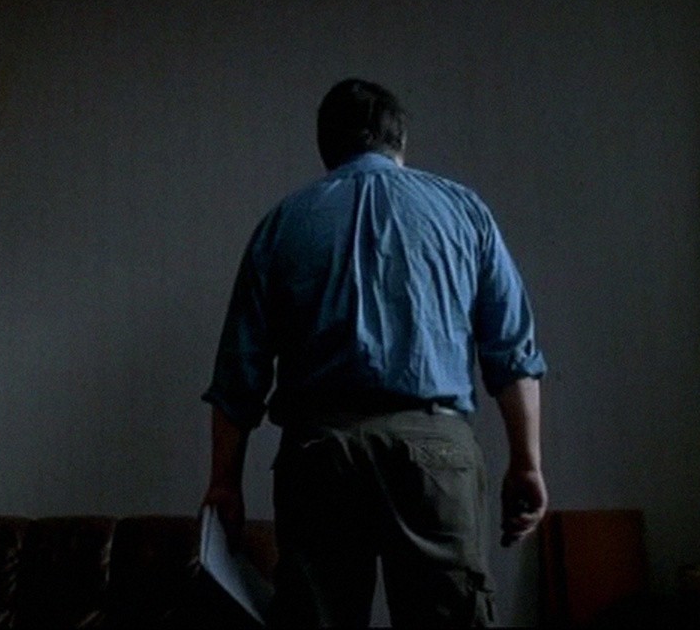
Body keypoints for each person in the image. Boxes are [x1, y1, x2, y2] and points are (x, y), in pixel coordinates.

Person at [200, 78, 548, 627]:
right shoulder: (464, 212)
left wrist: (225, 481)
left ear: (326, 148)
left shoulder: (283, 223)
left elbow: (238, 374)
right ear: (401, 141)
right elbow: (512, 350)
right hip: (435, 451)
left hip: (320, 454)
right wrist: (526, 462)